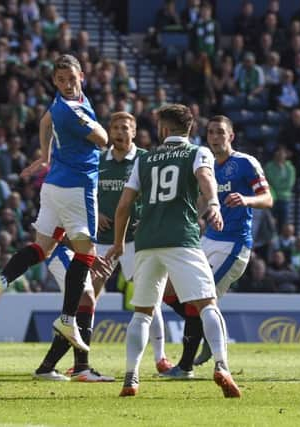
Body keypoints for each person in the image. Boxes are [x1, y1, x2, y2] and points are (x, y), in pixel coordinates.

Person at [106, 104, 241, 398]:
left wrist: (118, 243)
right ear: (189, 129)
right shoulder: (197, 152)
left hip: (145, 243)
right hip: (181, 238)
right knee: (208, 304)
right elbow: (206, 178)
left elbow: (123, 206)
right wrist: (214, 205)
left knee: (141, 313)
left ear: (163, 130)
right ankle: (222, 366)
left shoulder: (145, 159)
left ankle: (131, 377)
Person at [0, 54, 109, 353]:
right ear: (55, 81)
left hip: (53, 187)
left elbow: (45, 120)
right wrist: (94, 126)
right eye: (61, 80)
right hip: (78, 186)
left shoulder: (59, 104)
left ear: (81, 76)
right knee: (87, 253)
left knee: (43, 247)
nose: (66, 84)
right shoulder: (73, 110)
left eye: (70, 79)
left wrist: (45, 155)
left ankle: (2, 279)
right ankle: (67, 319)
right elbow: (103, 139)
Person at [160, 115, 273, 378]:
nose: (215, 137)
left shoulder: (245, 163)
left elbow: (267, 199)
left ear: (231, 136)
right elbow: (202, 201)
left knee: (198, 298)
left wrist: (246, 199)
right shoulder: (206, 163)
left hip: (234, 245)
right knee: (168, 291)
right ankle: (209, 334)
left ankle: (186, 366)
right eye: (211, 133)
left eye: (221, 132)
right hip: (207, 239)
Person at [94, 111, 173, 375]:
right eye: (115, 127)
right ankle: (80, 359)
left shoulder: (145, 160)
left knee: (147, 298)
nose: (119, 131)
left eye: (124, 127)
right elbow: (85, 192)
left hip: (134, 241)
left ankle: (161, 357)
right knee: (87, 296)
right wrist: (94, 214)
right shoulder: (97, 160)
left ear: (134, 131)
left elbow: (156, 196)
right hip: (102, 240)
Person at [32, 239, 114, 382]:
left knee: (81, 304)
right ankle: (81, 368)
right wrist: (89, 255)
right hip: (64, 249)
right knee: (85, 299)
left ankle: (47, 367)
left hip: (78, 251)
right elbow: (63, 227)